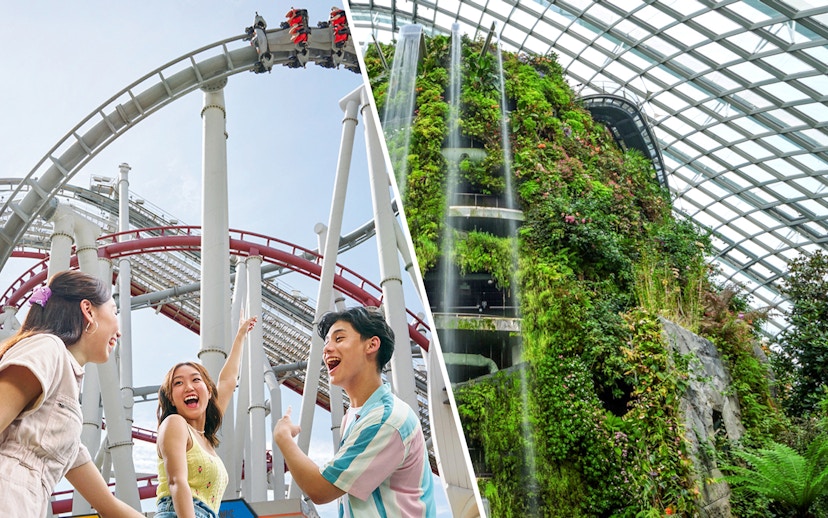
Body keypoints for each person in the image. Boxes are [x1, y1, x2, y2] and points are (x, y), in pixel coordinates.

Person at [0, 269, 146, 517]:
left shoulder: (61, 430)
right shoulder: (47, 347)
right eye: (114, 311)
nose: (119, 331)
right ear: (88, 310)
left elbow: (108, 507)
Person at [274, 306, 437, 517]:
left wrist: (282, 437)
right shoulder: (354, 415)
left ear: (372, 344)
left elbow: (321, 489)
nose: (327, 349)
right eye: (326, 343)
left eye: (339, 339)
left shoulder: (385, 419)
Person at [155, 314, 257, 518]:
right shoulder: (175, 424)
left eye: (195, 380)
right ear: (171, 399)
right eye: (178, 383)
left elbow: (228, 381)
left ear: (209, 392)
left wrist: (240, 337)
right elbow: (176, 482)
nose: (189, 387)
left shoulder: (204, 438)